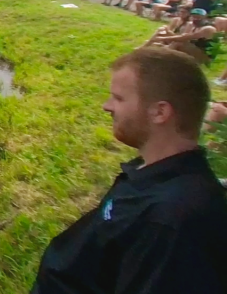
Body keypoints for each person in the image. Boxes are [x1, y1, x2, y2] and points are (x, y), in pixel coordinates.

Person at [31, 48, 227, 293]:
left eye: (119, 98)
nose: (106, 106)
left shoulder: (172, 220)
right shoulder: (152, 173)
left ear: (160, 112)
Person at [144, 8, 218, 64]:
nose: (196, 19)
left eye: (198, 17)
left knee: (178, 43)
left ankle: (162, 60)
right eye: (194, 17)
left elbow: (185, 38)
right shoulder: (191, 25)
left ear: (205, 18)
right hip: (192, 50)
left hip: (205, 57)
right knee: (160, 42)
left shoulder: (208, 28)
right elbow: (183, 37)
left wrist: (163, 37)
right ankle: (144, 50)